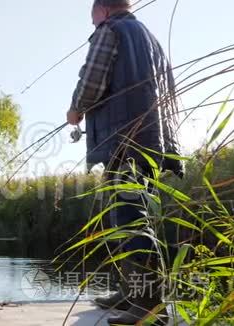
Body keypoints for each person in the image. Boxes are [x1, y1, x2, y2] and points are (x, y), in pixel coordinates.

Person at [66, 0, 184, 325]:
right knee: (130, 214)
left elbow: (92, 82)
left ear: (102, 10)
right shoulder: (150, 38)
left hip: (125, 141)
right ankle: (134, 292)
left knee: (131, 218)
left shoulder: (111, 28)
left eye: (93, 18)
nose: (93, 25)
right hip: (150, 141)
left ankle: (148, 306)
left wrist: (75, 109)